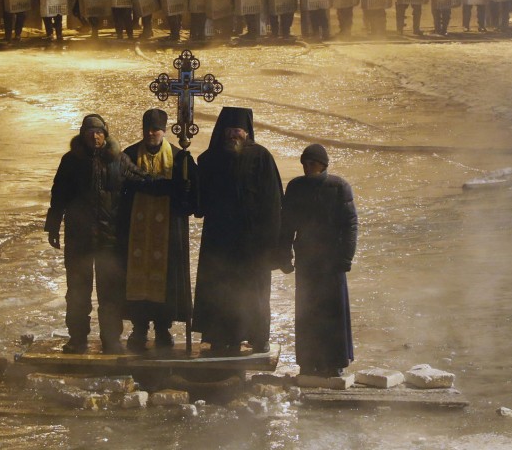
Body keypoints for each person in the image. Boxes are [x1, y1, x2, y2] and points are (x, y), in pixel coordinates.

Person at [45, 114, 146, 355]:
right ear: (83, 135)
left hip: (108, 238)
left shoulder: (118, 160)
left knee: (110, 292)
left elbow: (141, 179)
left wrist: (173, 183)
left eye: (99, 132)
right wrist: (52, 226)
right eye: (90, 132)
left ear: (105, 134)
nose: (95, 136)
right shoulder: (71, 161)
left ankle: (111, 341)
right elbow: (58, 195)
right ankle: (78, 339)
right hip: (78, 238)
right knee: (78, 292)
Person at [193, 107, 284, 355]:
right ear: (223, 132)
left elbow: (274, 202)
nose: (234, 134)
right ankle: (221, 338)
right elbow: (198, 202)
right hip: (219, 240)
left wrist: (272, 244)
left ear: (247, 131)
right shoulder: (210, 159)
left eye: (239, 130)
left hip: (253, 241)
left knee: (253, 291)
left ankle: (258, 337)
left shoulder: (262, 158)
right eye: (230, 130)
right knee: (220, 290)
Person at [119, 109, 198, 352]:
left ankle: (163, 328)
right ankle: (139, 328)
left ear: (164, 130)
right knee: (136, 278)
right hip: (136, 230)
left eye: (156, 129)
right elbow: (120, 187)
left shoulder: (178, 157)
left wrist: (183, 194)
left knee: (165, 279)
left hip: (168, 230)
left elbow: (190, 191)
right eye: (148, 129)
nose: (151, 133)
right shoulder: (129, 155)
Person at [277, 144, 358, 378]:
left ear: (323, 165)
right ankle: (308, 361)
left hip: (332, 260)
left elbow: (350, 224)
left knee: (333, 311)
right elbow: (287, 225)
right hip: (306, 259)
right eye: (304, 164)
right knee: (307, 311)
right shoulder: (295, 187)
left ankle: (335, 362)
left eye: (311, 163)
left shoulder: (338, 186)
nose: (306, 168)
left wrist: (346, 256)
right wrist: (284, 255)